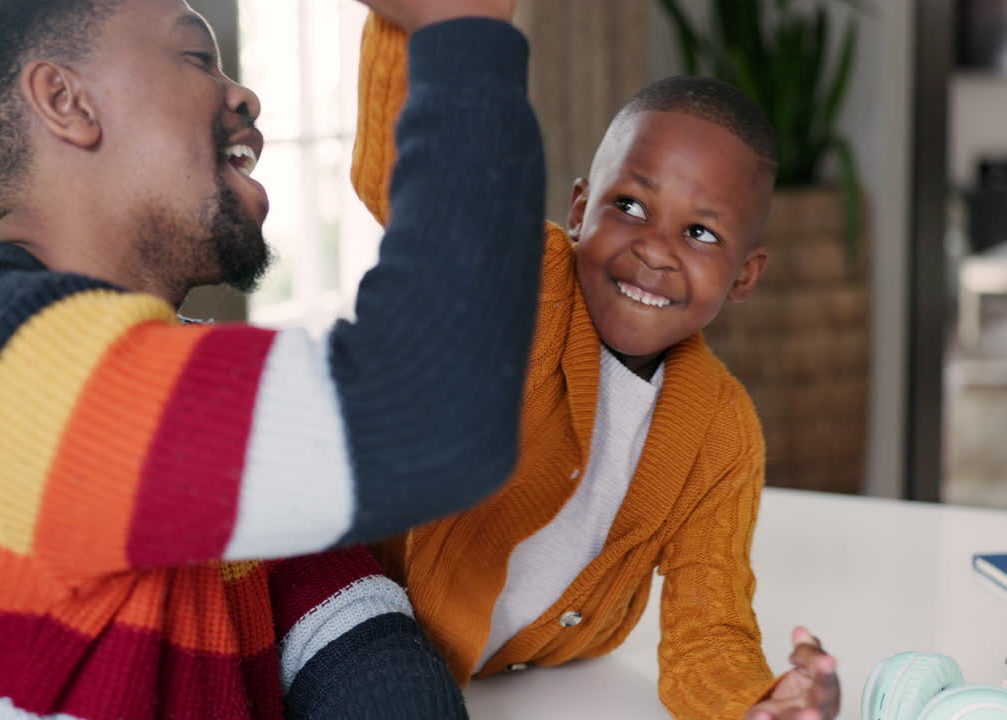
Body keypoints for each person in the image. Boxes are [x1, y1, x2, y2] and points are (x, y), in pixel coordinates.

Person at [0, 1, 547, 718]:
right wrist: (462, 32)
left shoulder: (147, 358)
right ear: (66, 102)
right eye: (194, 57)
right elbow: (432, 414)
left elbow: (336, 605)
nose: (243, 95)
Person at [352, 13, 841, 720]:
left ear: (745, 274)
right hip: (372, 612)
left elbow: (708, 628)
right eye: (631, 205)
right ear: (580, 208)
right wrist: (415, 29)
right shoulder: (525, 277)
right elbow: (418, 190)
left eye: (701, 233)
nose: (655, 250)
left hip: (543, 675)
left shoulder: (723, 431)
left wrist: (759, 701)